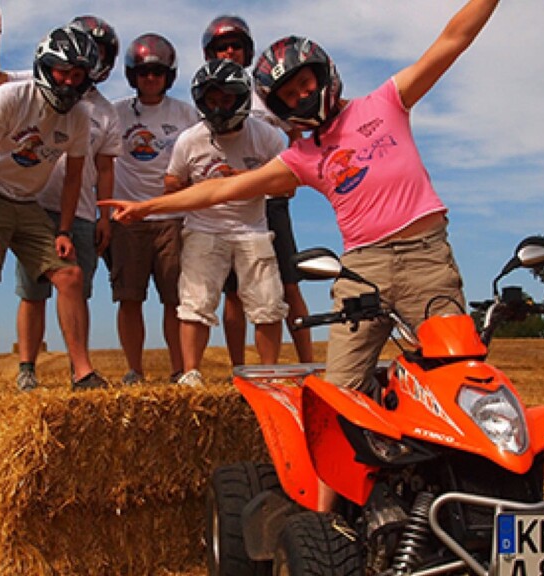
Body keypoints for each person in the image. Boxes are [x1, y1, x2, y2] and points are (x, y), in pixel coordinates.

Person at [102, 0, 496, 400]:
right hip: (362, 269)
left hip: (425, 258)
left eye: (304, 84)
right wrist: (146, 208)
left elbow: (453, 39)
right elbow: (219, 190)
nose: (302, 96)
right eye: (289, 96)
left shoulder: (387, 102)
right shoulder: (303, 156)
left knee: (454, 376)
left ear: (323, 73)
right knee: (341, 394)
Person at [0, 25, 109, 413]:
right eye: (63, 71)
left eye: (78, 75)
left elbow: (74, 179)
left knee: (69, 275)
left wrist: (63, 231)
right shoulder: (11, 96)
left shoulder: (80, 117)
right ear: (45, 66)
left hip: (26, 200)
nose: (69, 82)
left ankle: (83, 373)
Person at [0, 2, 122, 392]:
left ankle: (80, 371)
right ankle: (27, 368)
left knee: (76, 290)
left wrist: (104, 217)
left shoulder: (106, 112)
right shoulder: (37, 81)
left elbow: (106, 169)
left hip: (81, 211)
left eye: (98, 52)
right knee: (32, 292)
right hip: (34, 203)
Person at [165, 59, 290, 387]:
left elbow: (288, 186)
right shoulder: (190, 139)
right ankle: (191, 373)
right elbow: (171, 181)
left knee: (268, 303)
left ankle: (268, 374)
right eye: (211, 100)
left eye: (226, 99)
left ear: (242, 97)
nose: (218, 107)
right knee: (195, 303)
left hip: (253, 230)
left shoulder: (266, 136)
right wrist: (201, 188)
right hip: (203, 229)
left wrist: (248, 179)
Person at [201, 15, 314, 366]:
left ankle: (308, 363)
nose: (229, 52)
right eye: (221, 47)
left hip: (270, 202)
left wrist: (290, 175)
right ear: (210, 53)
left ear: (247, 51)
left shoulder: (265, 92)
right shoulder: (206, 92)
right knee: (234, 293)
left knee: (289, 284)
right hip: (233, 208)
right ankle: (240, 368)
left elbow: (296, 131)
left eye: (236, 45)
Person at [109, 33, 200, 385]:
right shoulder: (116, 112)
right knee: (129, 298)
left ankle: (180, 369)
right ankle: (135, 370)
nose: (150, 78)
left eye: (157, 72)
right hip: (129, 217)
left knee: (175, 299)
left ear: (168, 75)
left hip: (174, 218)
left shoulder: (186, 114)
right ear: (132, 75)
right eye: (143, 72)